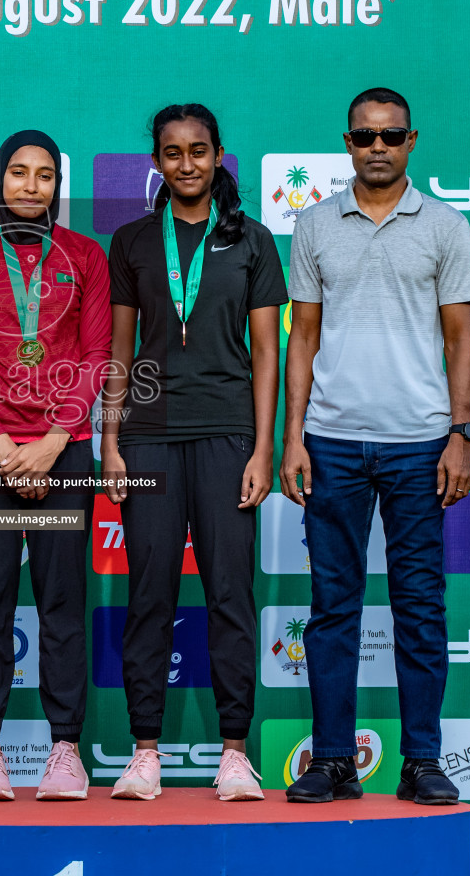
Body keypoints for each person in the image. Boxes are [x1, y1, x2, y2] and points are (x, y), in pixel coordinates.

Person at [281, 87, 470, 807]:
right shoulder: (313, 225)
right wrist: (292, 438)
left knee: (420, 608)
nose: (378, 148)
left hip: (420, 444)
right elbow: (301, 337)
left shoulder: (447, 226)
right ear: (347, 143)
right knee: (333, 608)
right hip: (330, 443)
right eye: (365, 137)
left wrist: (460, 435)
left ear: (412, 142)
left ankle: (422, 759)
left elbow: (461, 339)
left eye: (390, 137)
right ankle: (333, 759)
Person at [101, 104, 287, 802]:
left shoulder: (252, 240)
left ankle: (234, 754)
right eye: (173, 152)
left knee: (231, 595)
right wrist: (110, 439)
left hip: (227, 434)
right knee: (149, 595)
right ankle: (144, 753)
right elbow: (121, 350)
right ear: (157, 159)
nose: (186, 164)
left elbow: (267, 354)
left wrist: (264, 448)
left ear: (218, 156)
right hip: (148, 436)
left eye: (199, 151)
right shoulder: (132, 242)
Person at [0, 130, 111, 802]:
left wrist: (54, 440)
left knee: (63, 597)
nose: (31, 186)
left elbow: (97, 355)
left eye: (43, 176)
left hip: (63, 455)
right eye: (18, 173)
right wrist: (5, 446)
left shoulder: (86, 257)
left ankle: (66, 750)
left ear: (57, 187)